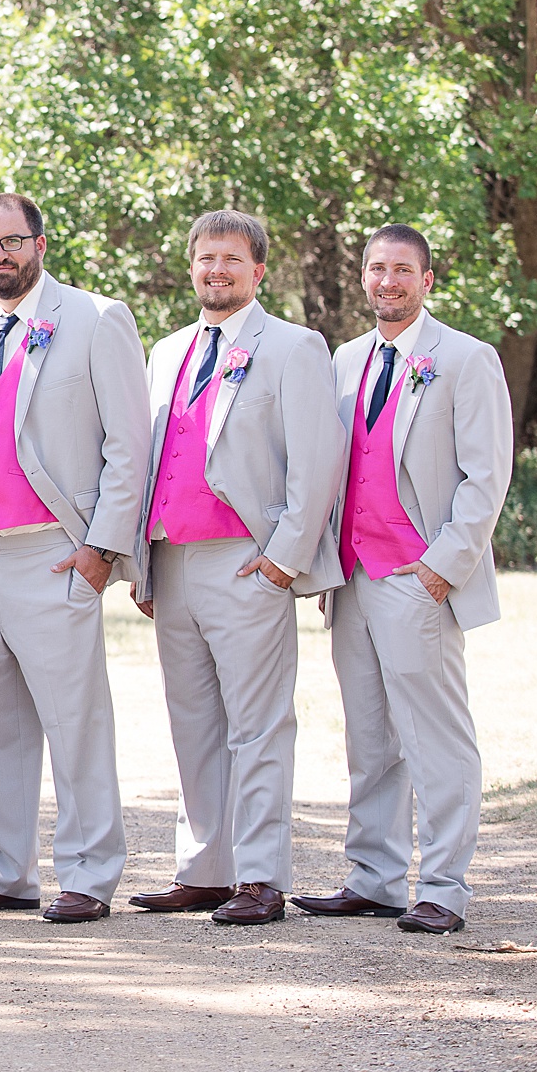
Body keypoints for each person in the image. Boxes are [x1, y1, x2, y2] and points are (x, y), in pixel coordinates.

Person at [0, 194, 149, 922]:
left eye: (12, 241)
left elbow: (129, 442)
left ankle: (89, 872)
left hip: (57, 551)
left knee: (74, 719)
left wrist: (102, 547)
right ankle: (6, 868)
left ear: (40, 242)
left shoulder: (96, 317)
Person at [294, 226, 514, 935]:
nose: (387, 281)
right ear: (363, 277)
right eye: (376, 269)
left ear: (427, 278)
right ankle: (375, 875)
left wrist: (443, 566)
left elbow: (486, 476)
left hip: (417, 575)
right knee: (369, 734)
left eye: (401, 270)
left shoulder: (465, 358)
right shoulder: (346, 359)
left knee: (435, 734)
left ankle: (444, 884)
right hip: (352, 575)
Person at [129, 209, 342, 925]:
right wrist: (142, 562)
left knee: (257, 724)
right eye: (204, 258)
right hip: (173, 557)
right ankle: (206, 868)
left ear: (258, 271)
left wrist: (285, 557)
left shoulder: (293, 346)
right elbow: (149, 460)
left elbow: (317, 461)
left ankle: (259, 875)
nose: (215, 269)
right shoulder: (166, 352)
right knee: (192, 720)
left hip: (248, 560)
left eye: (230, 258)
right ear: (191, 267)